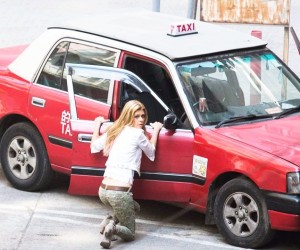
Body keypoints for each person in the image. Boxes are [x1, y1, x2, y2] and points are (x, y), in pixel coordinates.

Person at [90, 100, 163, 249]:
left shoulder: (114, 129)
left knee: (134, 207)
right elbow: (151, 153)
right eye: (137, 116)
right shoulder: (138, 134)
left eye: (143, 116)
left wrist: (97, 124)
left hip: (103, 191)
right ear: (129, 116)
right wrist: (156, 130)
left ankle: (109, 220)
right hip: (119, 193)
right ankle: (113, 229)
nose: (141, 119)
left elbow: (94, 146)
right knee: (130, 233)